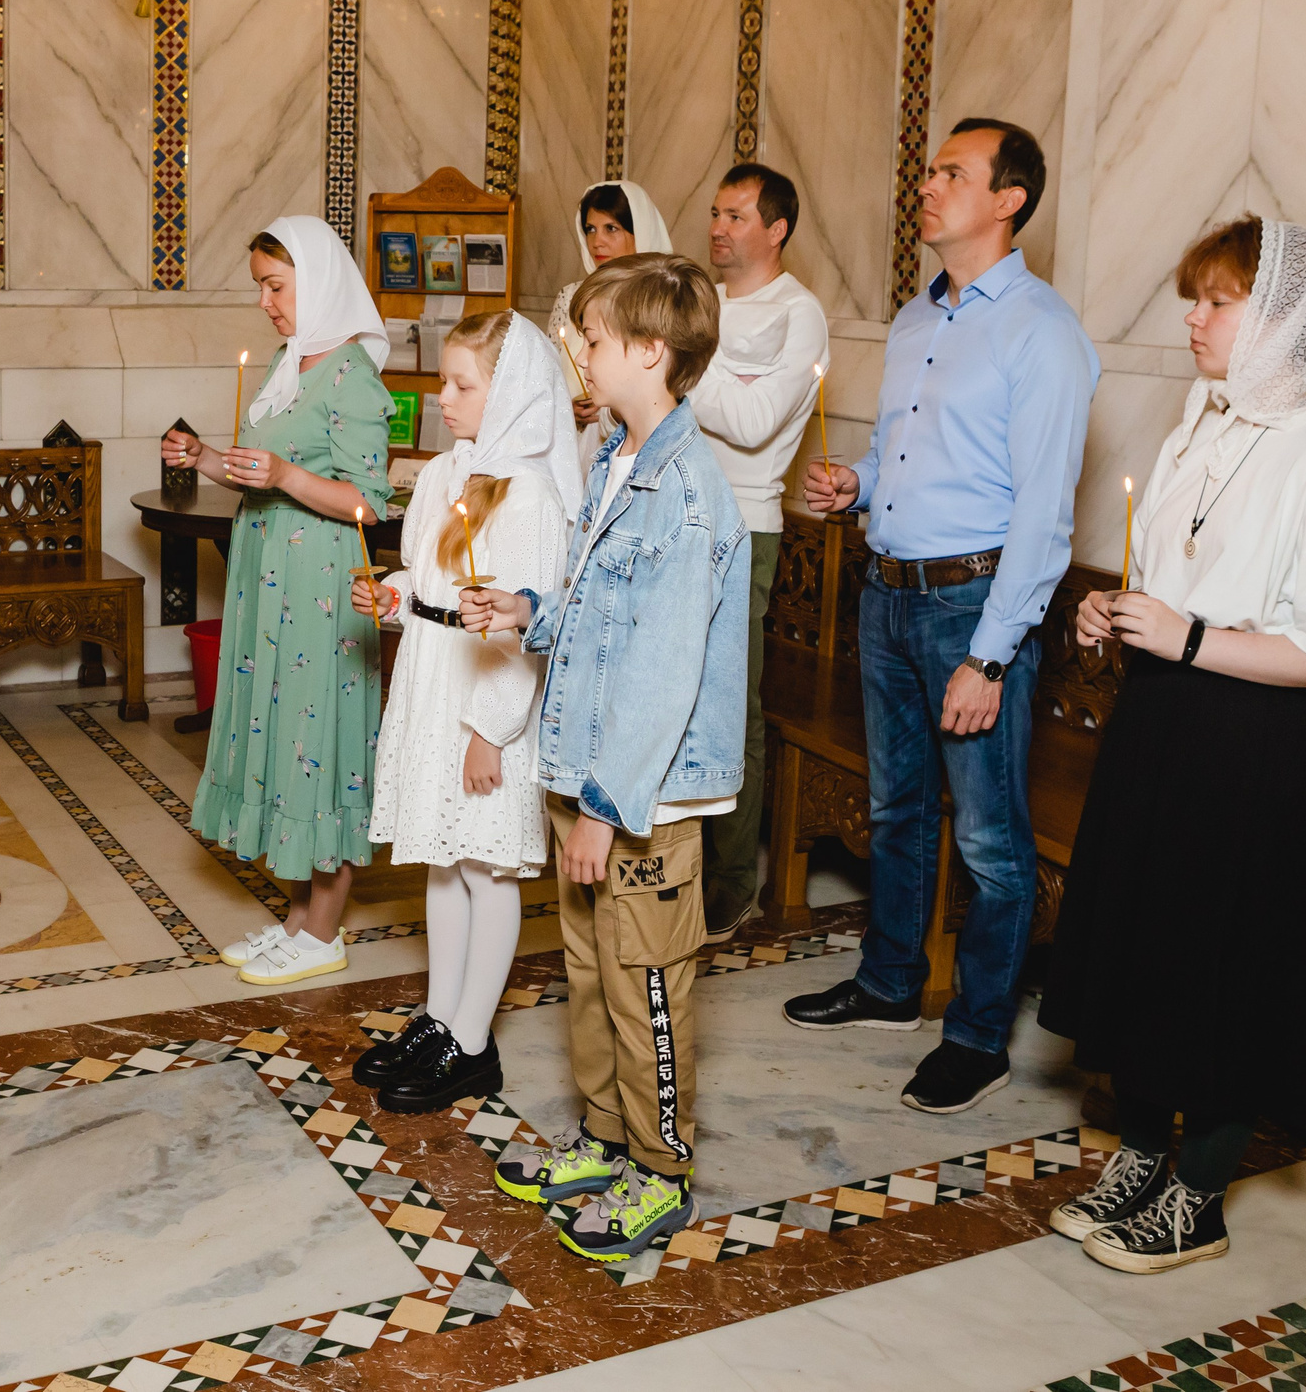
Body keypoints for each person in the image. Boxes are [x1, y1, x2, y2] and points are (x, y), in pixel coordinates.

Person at [1041, 218, 1306, 1274]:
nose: (1193, 319)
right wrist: (1115, 617)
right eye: (1195, 297)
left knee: (1224, 958)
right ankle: (1142, 1158)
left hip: (1252, 745)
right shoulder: (1203, 422)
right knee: (1149, 941)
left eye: (1218, 301)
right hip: (1164, 723)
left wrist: (1190, 637)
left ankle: (1201, 1193)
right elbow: (1177, 574)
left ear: (1281, 318)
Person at [789, 118, 1097, 1115]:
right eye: (925, 168)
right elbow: (913, 460)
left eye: (949, 173)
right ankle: (887, 985)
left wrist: (990, 657)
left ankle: (977, 1038)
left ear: (1007, 200)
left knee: (992, 846)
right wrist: (858, 485)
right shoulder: (920, 319)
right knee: (896, 812)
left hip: (972, 605)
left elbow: (1043, 516)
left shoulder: (1042, 333)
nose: (924, 185)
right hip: (886, 592)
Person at [464, 253, 748, 1263]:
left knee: (647, 984)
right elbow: (602, 615)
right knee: (589, 970)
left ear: (647, 351)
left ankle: (659, 1171)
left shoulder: (683, 488)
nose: (579, 352)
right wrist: (529, 614)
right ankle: (602, 1139)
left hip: (639, 793)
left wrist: (602, 807)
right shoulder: (617, 460)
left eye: (591, 336)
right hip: (583, 767)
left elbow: (662, 671)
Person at [352, 310, 577, 1113]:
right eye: (444, 379)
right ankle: (439, 1018)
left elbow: (527, 630)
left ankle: (474, 1044)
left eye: (462, 384)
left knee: (485, 867)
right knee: (442, 862)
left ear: (509, 389)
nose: (442, 397)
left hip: (486, 695)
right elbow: (428, 577)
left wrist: (491, 729)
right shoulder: (449, 473)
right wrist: (390, 596)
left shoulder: (534, 497)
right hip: (432, 676)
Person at [162, 219, 393, 988]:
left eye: (275, 286)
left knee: (316, 737)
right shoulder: (289, 361)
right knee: (281, 735)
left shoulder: (353, 374)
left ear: (318, 283)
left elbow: (369, 500)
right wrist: (204, 457)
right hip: (268, 581)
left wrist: (289, 477)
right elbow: (260, 468)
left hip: (321, 587)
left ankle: (324, 929)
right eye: (260, 286)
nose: (265, 303)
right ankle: (297, 917)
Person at [694, 162, 827, 941]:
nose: (718, 226)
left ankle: (736, 880)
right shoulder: (700, 300)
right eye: (715, 210)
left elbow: (750, 421)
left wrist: (674, 365)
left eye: (737, 214)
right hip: (674, 514)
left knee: (728, 707)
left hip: (742, 526)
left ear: (775, 229)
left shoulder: (797, 313)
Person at [547, 180, 672, 443]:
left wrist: (609, 409)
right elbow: (546, 378)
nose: (597, 241)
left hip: (637, 440)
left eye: (611, 229)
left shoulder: (660, 300)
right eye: (590, 230)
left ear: (640, 231)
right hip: (573, 443)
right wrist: (566, 408)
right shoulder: (570, 296)